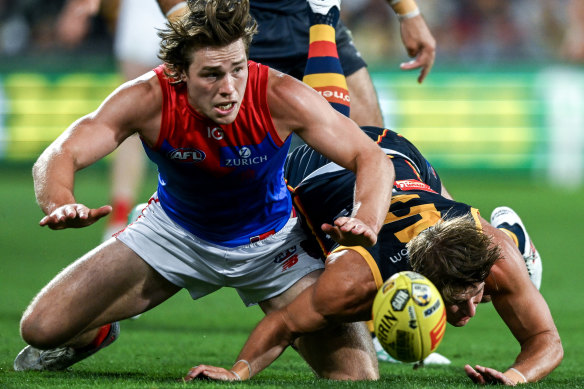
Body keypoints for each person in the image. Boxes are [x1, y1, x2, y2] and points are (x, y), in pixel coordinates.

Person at [13, 0, 395, 380]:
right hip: (174, 235)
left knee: (357, 376)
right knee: (41, 329)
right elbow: (61, 153)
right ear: (179, 72)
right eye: (212, 75)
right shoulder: (148, 98)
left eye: (238, 69)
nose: (229, 88)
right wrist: (60, 202)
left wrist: (366, 218)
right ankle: (95, 333)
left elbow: (372, 157)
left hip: (273, 246)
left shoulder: (279, 94)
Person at [182, 126, 562, 384]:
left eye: (476, 294)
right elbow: (286, 322)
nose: (473, 312)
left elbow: (547, 340)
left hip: (399, 155)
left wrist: (515, 378)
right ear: (422, 284)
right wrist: (238, 372)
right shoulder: (355, 280)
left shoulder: (492, 251)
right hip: (312, 170)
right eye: (458, 303)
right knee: (353, 370)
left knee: (504, 276)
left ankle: (516, 236)